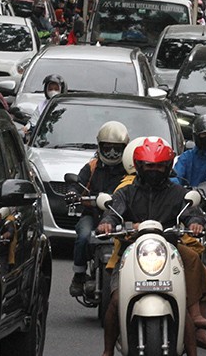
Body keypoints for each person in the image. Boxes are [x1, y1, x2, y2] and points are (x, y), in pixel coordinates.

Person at [98, 137, 206, 356]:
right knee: (116, 300)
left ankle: (193, 342)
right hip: (131, 251)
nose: (154, 170)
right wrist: (107, 223)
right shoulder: (126, 193)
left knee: (180, 299)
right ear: (139, 166)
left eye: (159, 166)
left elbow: (191, 212)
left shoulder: (177, 193)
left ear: (167, 167)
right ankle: (107, 351)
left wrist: (195, 223)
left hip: (170, 250)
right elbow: (112, 212)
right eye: (149, 165)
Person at [65, 121, 129, 297]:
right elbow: (77, 183)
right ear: (100, 146)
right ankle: (78, 275)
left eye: (117, 149)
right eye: (107, 148)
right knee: (84, 235)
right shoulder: (92, 166)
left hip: (120, 217)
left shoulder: (130, 168)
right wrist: (72, 193)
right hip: (92, 215)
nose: (112, 153)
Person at [173, 114, 206, 187]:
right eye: (204, 134)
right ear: (196, 136)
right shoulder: (186, 158)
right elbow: (175, 178)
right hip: (189, 196)